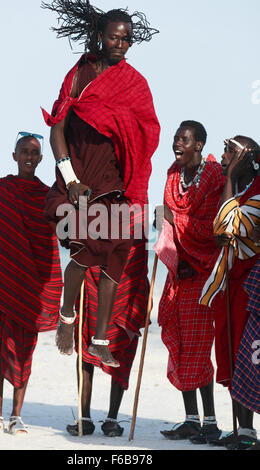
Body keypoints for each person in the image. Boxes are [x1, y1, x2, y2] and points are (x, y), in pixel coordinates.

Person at [41, 0, 160, 436]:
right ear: (99, 36)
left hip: (118, 187)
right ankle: (67, 317)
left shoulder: (135, 82)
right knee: (85, 255)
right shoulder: (80, 73)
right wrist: (69, 177)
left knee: (113, 262)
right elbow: (57, 126)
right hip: (80, 184)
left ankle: (102, 341)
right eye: (115, 36)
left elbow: (147, 131)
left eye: (127, 37)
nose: (122, 44)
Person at [0, 133, 63, 435]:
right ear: (14, 156)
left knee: (25, 348)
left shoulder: (48, 197)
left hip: (33, 285)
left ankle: (16, 415)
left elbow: (61, 238)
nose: (29, 157)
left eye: (34, 152)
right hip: (2, 281)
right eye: (24, 152)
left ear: (42, 158)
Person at [154, 121, 225, 444]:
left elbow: (213, 228)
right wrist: (166, 226)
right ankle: (190, 420)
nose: (176, 144)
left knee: (198, 349)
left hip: (204, 274)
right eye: (175, 139)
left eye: (183, 140)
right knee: (180, 346)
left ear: (198, 144)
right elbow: (168, 219)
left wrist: (174, 219)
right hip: (178, 272)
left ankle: (210, 421)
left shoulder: (213, 176)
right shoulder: (172, 175)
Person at [200, 136, 260, 450]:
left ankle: (249, 432)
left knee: (248, 356)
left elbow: (224, 229)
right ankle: (242, 430)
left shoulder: (258, 193)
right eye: (225, 152)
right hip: (231, 286)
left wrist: (228, 178)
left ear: (250, 159)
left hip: (252, 289)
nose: (224, 157)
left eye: (231, 153)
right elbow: (222, 233)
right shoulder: (238, 193)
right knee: (233, 356)